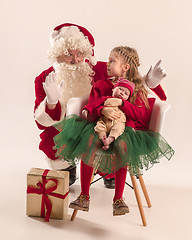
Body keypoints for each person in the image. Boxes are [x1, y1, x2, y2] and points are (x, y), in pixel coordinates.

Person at [34, 22, 167, 187]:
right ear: (57, 54)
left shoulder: (103, 69)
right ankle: (67, 168)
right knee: (50, 139)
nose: (75, 60)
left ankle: (108, 170)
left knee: (110, 138)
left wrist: (148, 83)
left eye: (80, 54)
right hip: (65, 126)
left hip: (100, 122)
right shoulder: (44, 79)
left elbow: (129, 85)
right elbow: (41, 123)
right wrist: (52, 103)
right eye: (69, 54)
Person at [53, 46, 174, 216]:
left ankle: (118, 199)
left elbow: (139, 114)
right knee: (89, 143)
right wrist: (103, 110)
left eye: (112, 61)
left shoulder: (136, 89)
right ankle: (84, 195)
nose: (108, 64)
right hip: (99, 126)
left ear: (125, 67)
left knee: (123, 146)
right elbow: (92, 105)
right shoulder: (101, 85)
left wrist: (123, 104)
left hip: (125, 130)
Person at [84, 78, 135, 150]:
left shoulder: (125, 104)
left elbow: (131, 115)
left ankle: (109, 140)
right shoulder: (105, 98)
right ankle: (103, 140)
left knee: (119, 129)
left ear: (127, 98)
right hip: (104, 121)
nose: (122, 93)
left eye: (126, 93)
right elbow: (94, 104)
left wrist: (131, 127)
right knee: (98, 128)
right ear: (113, 89)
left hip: (118, 122)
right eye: (120, 89)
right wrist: (86, 109)